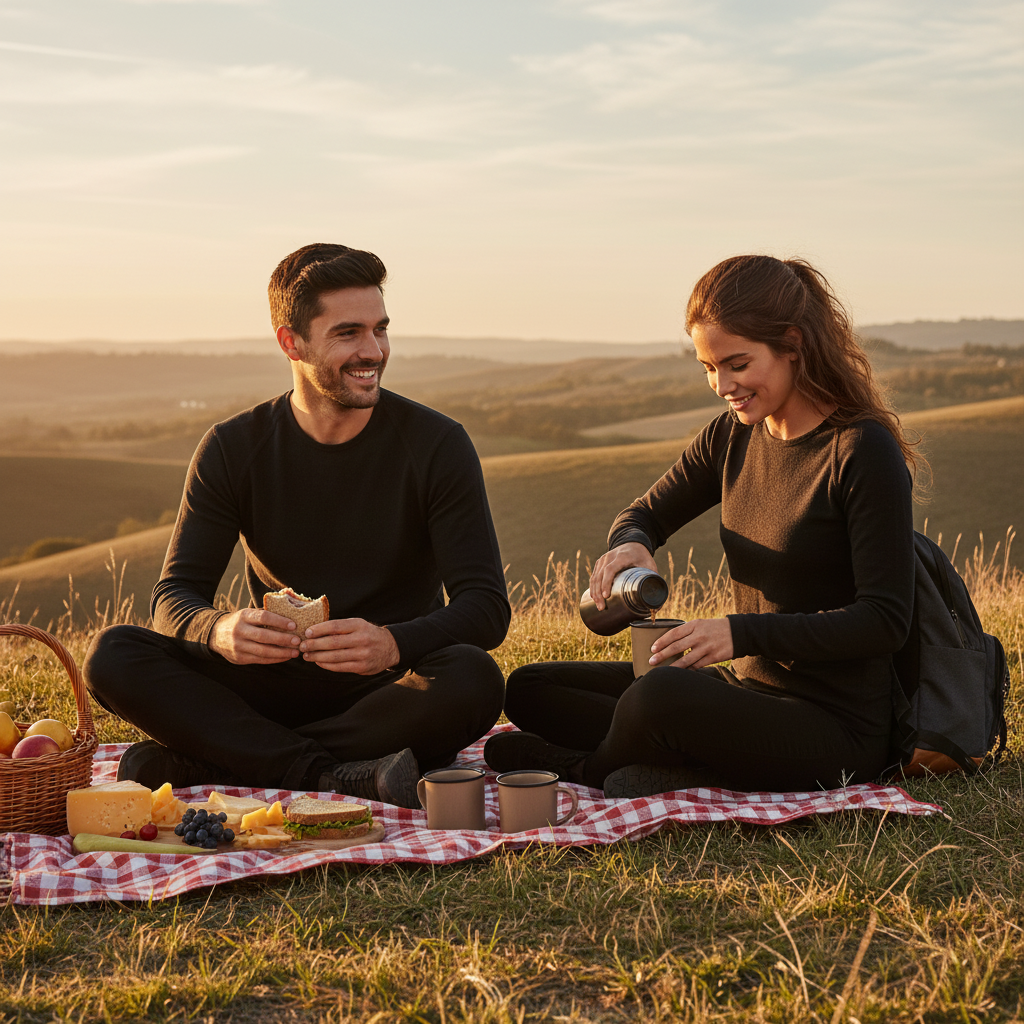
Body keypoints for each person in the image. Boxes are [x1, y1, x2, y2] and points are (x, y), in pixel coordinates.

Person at [84, 243, 510, 808]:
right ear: (291, 341)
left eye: (381, 329)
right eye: (348, 333)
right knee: (112, 655)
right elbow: (174, 598)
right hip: (267, 684)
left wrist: (391, 643)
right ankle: (332, 776)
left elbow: (485, 606)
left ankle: (219, 760)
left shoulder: (437, 444)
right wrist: (218, 630)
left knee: (473, 678)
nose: (374, 351)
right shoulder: (233, 448)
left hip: (385, 691)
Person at [485, 255, 918, 798]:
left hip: (834, 726)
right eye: (709, 367)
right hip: (743, 689)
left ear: (792, 344)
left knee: (657, 698)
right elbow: (643, 513)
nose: (722, 386)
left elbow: (883, 621)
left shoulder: (860, 450)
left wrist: (737, 632)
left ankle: (586, 772)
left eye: (737, 364)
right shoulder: (732, 436)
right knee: (532, 687)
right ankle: (672, 760)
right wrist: (633, 546)